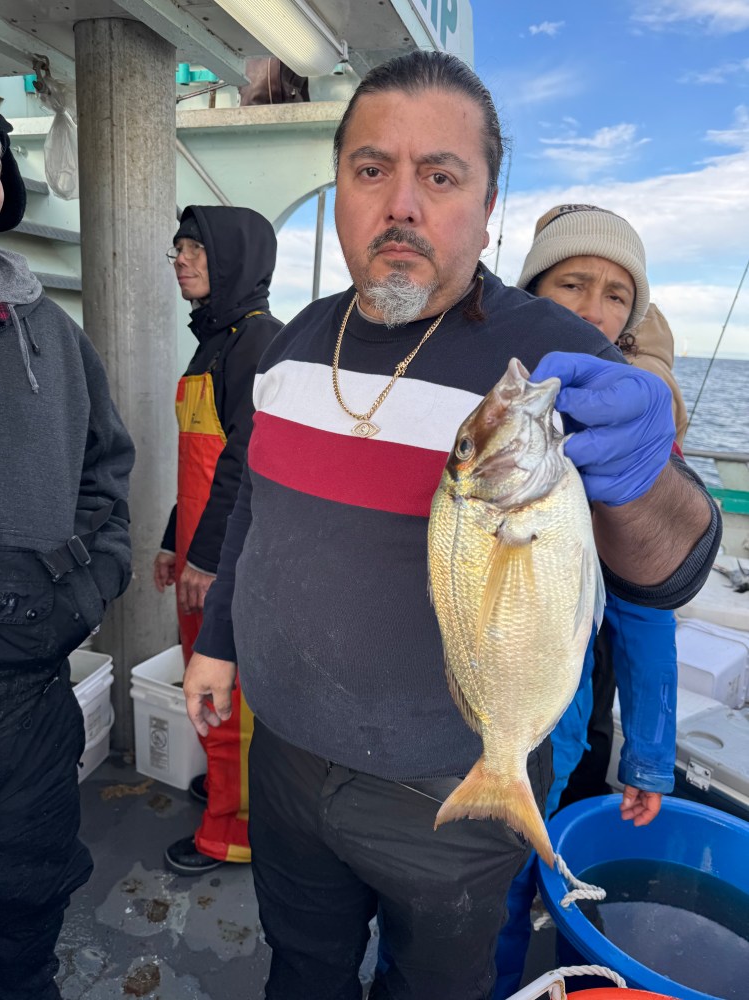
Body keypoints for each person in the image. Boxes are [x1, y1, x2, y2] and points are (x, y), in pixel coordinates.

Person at [183, 53, 721, 1000]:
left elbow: (672, 569)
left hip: (457, 789)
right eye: (370, 169)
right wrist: (218, 645)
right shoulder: (293, 340)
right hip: (288, 761)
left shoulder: (558, 353)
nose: (402, 204)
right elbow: (259, 511)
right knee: (301, 969)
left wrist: (643, 482)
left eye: (440, 175)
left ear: (487, 206)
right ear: (339, 190)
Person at [493, 203, 685, 998]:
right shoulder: (492, 396)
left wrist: (646, 755)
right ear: (531, 288)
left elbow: (647, 608)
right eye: (572, 283)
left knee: (501, 877)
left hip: (552, 705)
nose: (593, 310)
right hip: (440, 690)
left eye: (615, 295)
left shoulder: (629, 430)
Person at [0, 113, 134, 1000]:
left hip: (26, 685)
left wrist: (84, 589)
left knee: (28, 883)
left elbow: (108, 472)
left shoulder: (53, 333)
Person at [153, 205, 282, 875]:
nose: (181, 260)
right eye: (177, 249)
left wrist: (207, 558)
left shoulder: (260, 343)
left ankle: (231, 832)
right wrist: (175, 539)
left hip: (229, 560)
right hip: (201, 554)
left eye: (195, 250)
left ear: (234, 259)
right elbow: (195, 459)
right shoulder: (214, 339)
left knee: (228, 694)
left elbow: (244, 466)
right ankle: (225, 788)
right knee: (203, 684)